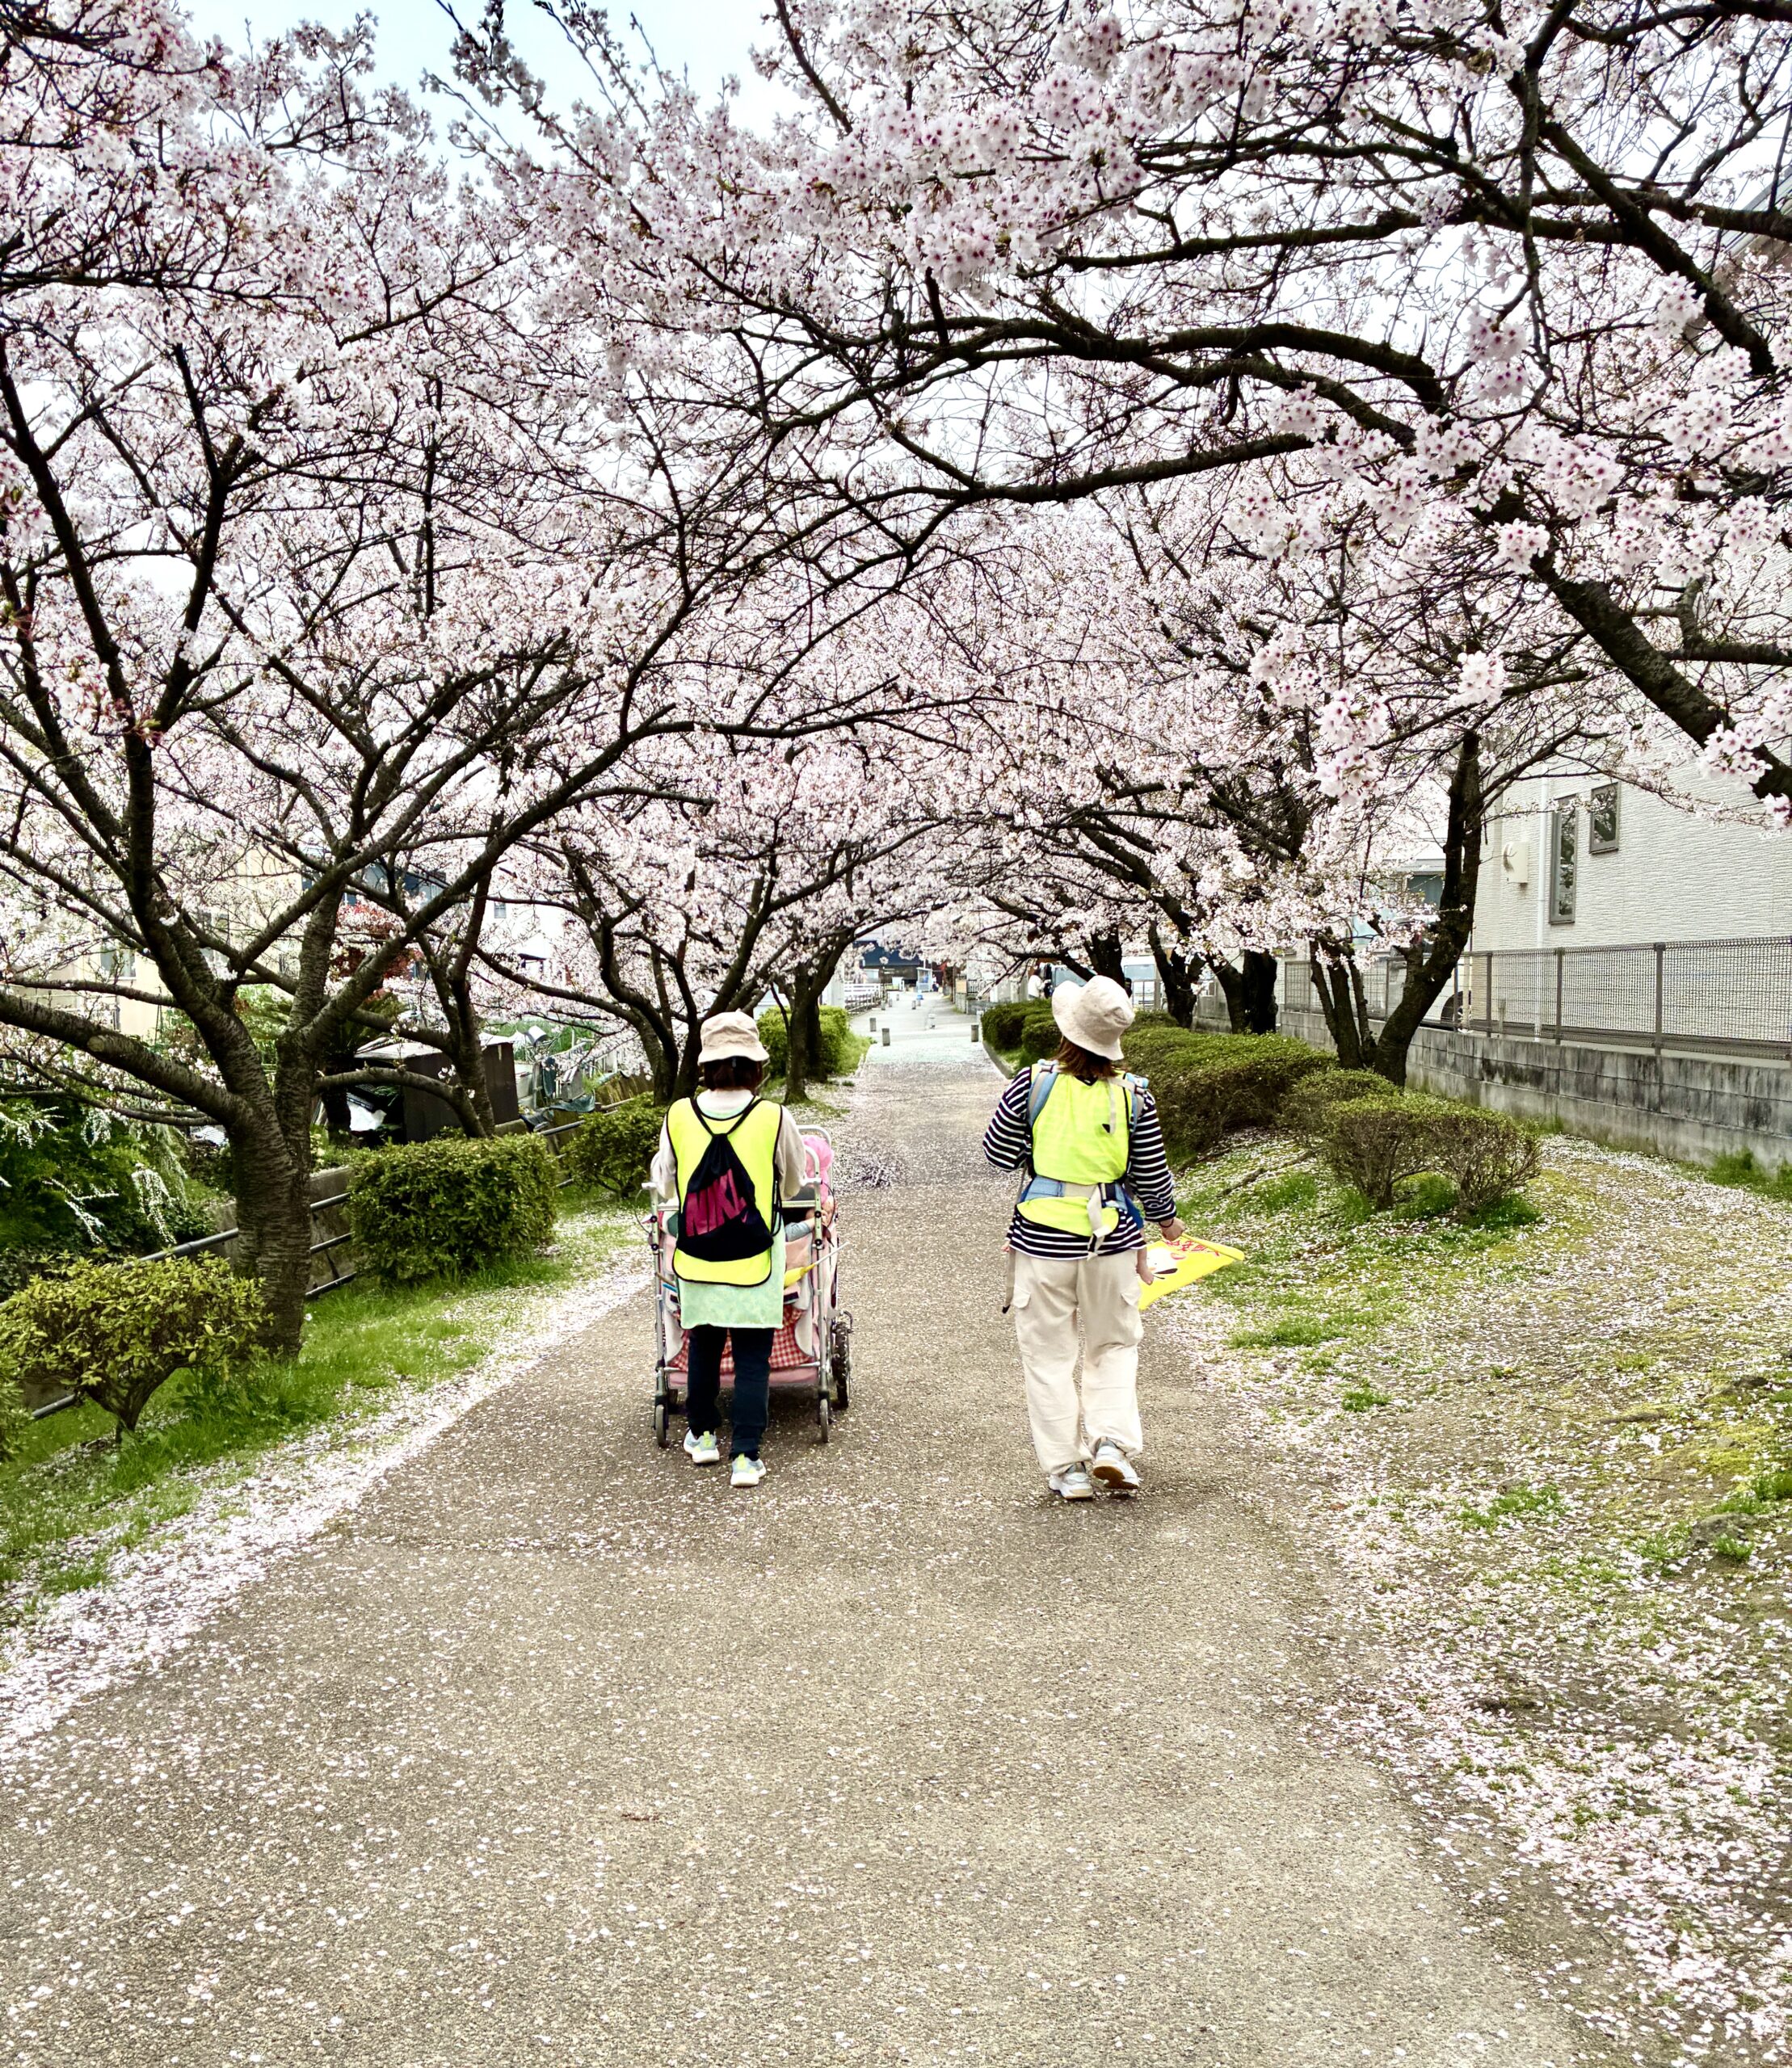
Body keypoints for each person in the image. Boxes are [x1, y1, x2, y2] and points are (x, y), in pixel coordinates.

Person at [982, 976, 1184, 1502]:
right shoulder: (1134, 1095)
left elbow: (998, 1153)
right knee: (1113, 1344)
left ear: (1067, 1032)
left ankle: (1067, 1469)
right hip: (1113, 1241)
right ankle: (1111, 1445)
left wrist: (1038, 1143)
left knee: (1049, 1357)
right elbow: (1150, 1173)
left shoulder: (1032, 1083)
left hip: (1042, 1242)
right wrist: (1168, 1222)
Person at [651, 1011, 806, 1488]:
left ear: (708, 1065)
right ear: (754, 1065)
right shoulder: (774, 1117)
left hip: (697, 1256)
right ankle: (745, 1457)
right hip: (755, 1257)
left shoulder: (679, 1114)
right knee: (752, 1356)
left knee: (704, 1345)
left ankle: (701, 1437)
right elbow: (796, 1182)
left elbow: (664, 1182)